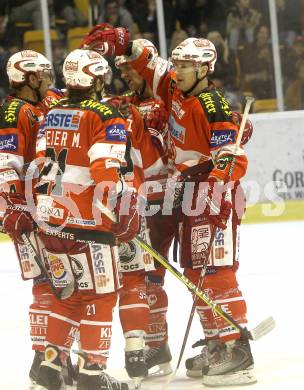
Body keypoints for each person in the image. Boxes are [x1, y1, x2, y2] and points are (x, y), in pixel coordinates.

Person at [82, 26, 256, 386]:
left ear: (204, 69)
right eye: (176, 63)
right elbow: (150, 62)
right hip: (186, 190)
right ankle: (215, 344)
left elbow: (230, 155)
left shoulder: (212, 104)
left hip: (209, 192)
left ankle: (237, 351)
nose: (176, 70)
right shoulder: (174, 88)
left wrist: (218, 186)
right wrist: (123, 44)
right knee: (195, 270)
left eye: (185, 65)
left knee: (214, 272)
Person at [31, 48, 140, 390]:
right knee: (102, 296)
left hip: (51, 218)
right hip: (88, 223)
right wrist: (119, 213)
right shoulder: (106, 116)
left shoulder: (51, 113)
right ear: (94, 78)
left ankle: (50, 367)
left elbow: (38, 164)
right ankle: (93, 374)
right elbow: (106, 172)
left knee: (70, 296)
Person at [0, 50, 67, 388]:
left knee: (63, 283)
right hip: (27, 213)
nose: (49, 80)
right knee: (46, 285)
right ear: (29, 78)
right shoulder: (11, 111)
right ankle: (42, 361)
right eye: (43, 74)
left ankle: (55, 358)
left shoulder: (44, 101)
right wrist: (16, 206)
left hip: (51, 209)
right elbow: (3, 164)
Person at [113, 39, 175, 378]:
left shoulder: (162, 101)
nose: (124, 76)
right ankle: (157, 344)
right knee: (150, 276)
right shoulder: (130, 103)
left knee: (193, 272)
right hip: (147, 196)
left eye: (129, 70)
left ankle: (219, 340)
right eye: (120, 71)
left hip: (166, 196)